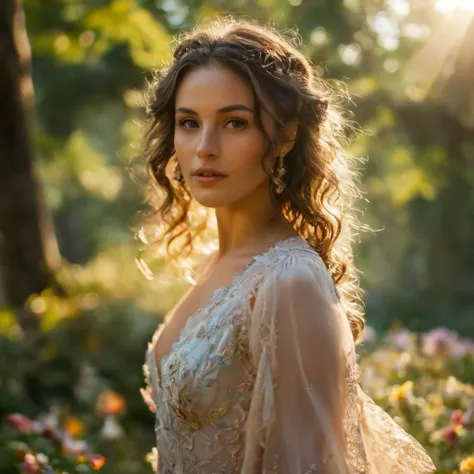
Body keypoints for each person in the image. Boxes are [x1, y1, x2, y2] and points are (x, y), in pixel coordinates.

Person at [138, 17, 436, 474]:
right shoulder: (217, 264)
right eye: (189, 122)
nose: (204, 147)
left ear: (286, 135)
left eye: (235, 123)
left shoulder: (288, 280)